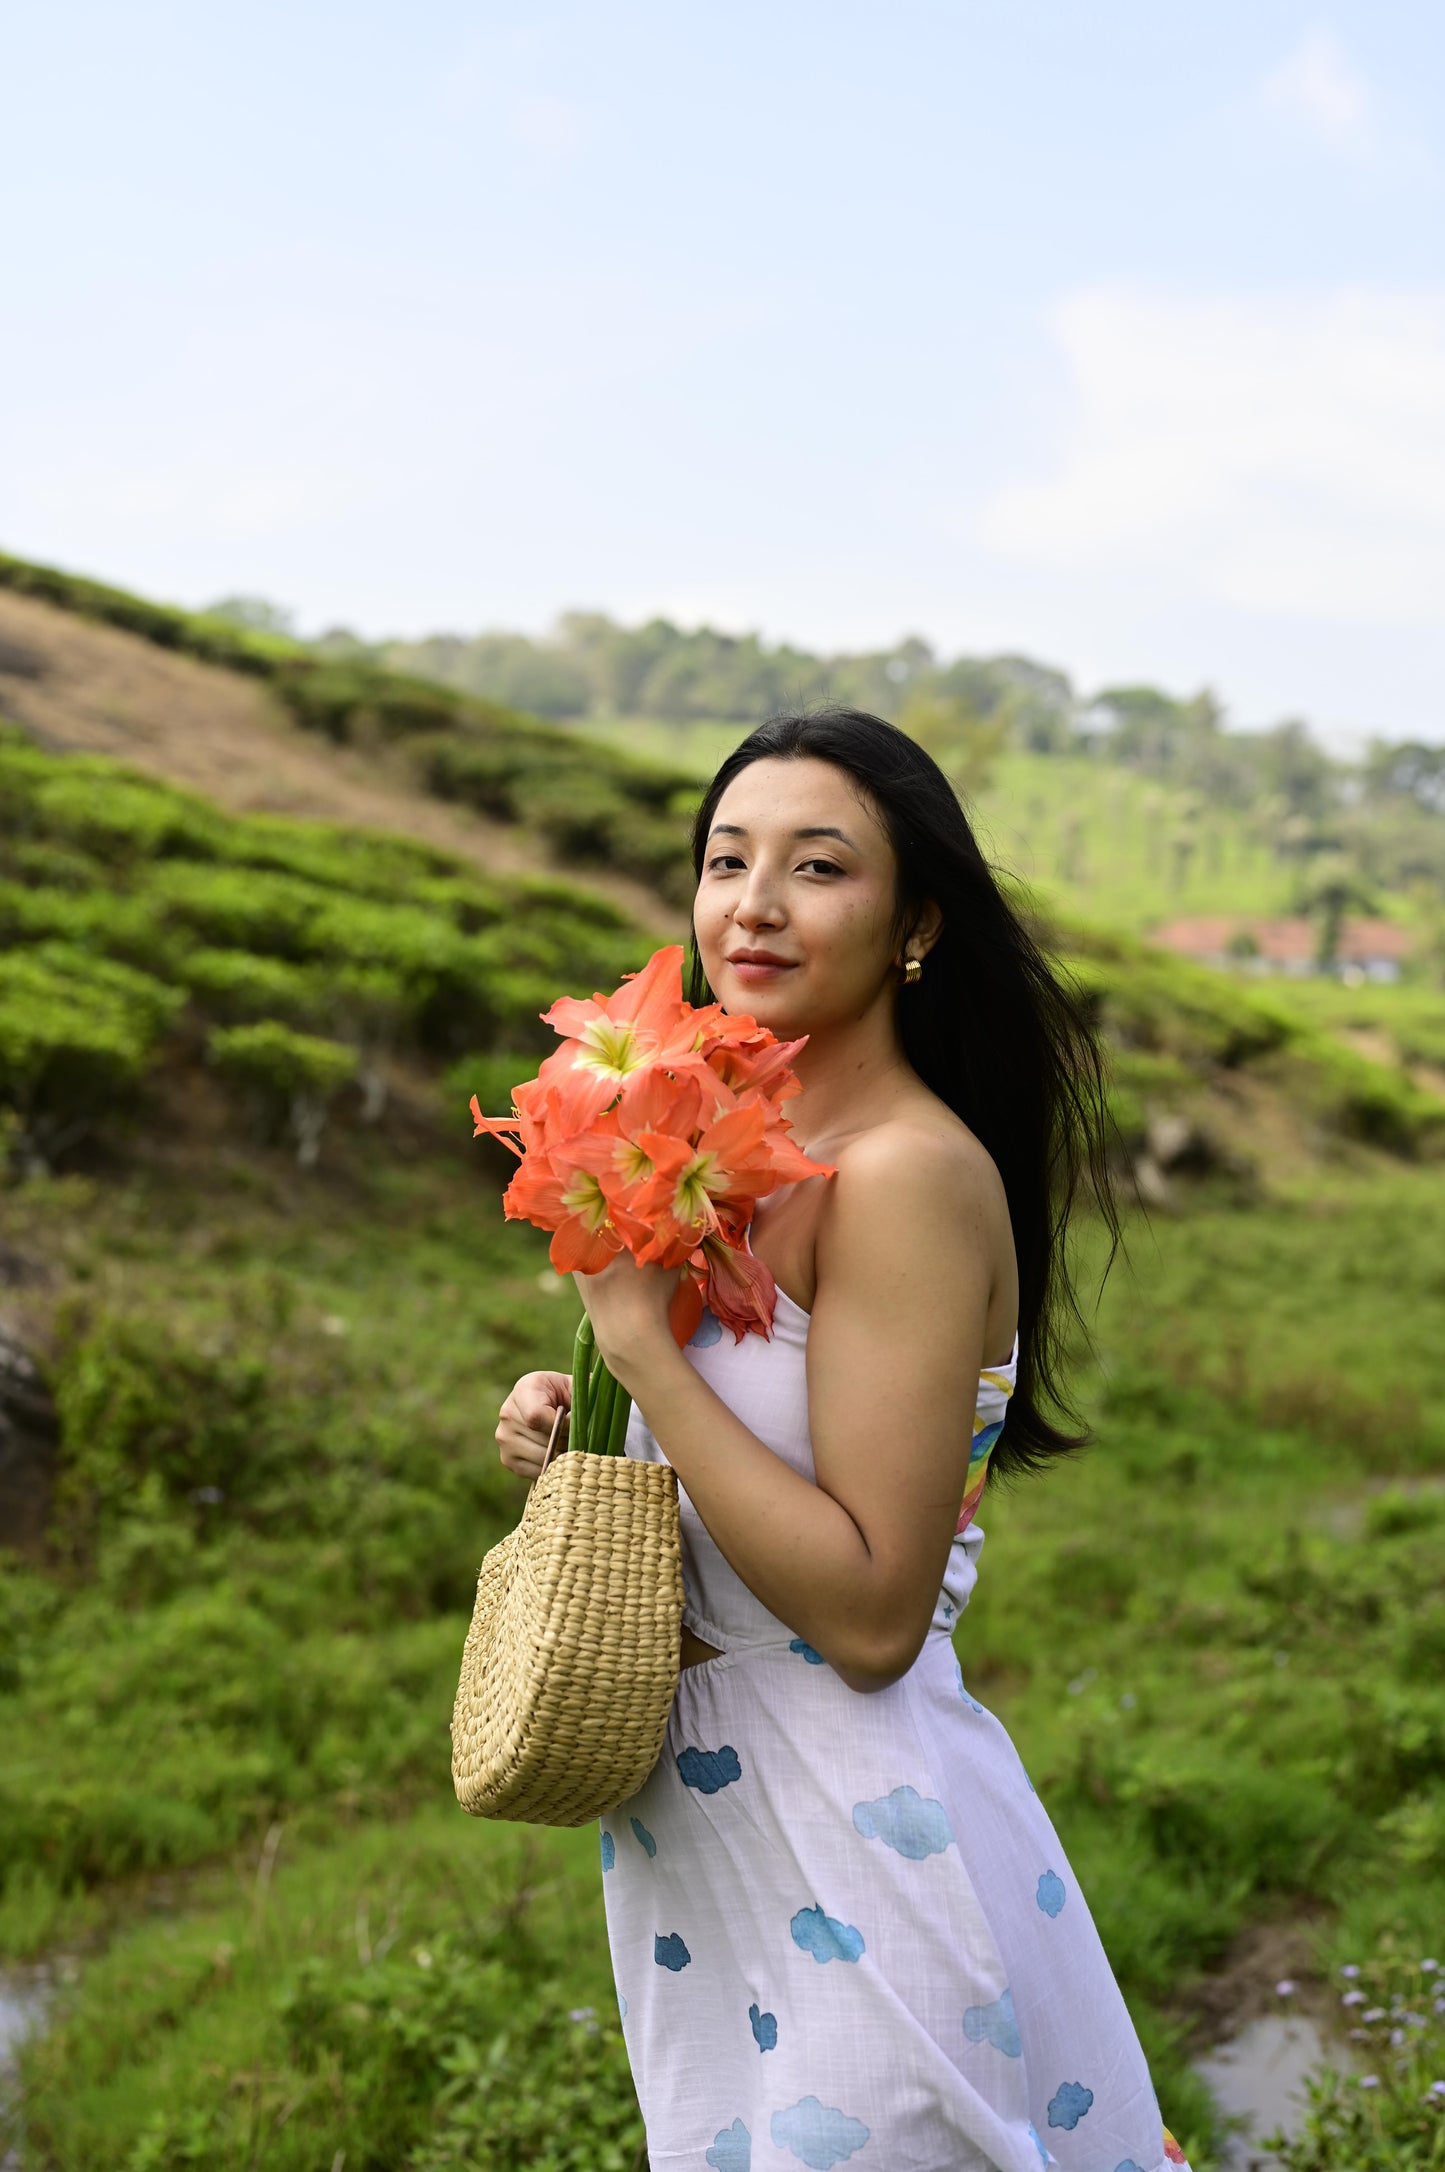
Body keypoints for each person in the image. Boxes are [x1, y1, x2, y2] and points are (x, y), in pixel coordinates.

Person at [495, 710, 1191, 2172]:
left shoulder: (904, 1177)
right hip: (708, 1841)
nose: (753, 904)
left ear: (914, 924)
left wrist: (645, 1355)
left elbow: (874, 1616)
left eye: (817, 867)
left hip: (861, 1835)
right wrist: (594, 1433)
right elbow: (749, 1471)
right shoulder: (726, 1158)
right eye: (726, 860)